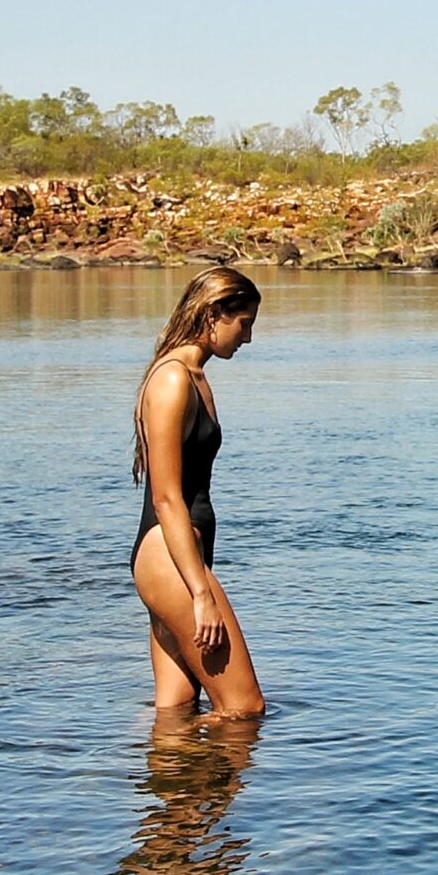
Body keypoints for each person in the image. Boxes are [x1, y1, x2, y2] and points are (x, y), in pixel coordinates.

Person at [131, 266, 265, 717]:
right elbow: (166, 498)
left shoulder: (194, 377)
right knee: (244, 709)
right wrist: (201, 594)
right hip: (170, 558)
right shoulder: (173, 380)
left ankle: (176, 784)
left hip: (180, 557)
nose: (246, 339)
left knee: (177, 708)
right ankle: (228, 788)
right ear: (213, 314)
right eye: (243, 324)